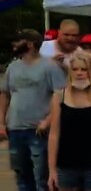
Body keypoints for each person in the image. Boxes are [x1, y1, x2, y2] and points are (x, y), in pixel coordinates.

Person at [0, 29, 66, 191]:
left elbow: (62, 97)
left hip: (39, 131)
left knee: (42, 179)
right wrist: (1, 123)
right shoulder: (13, 67)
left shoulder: (50, 67)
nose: (14, 45)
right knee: (22, 177)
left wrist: (48, 121)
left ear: (29, 44)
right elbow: (5, 95)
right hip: (15, 129)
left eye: (18, 41)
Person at [47, 51, 91, 191]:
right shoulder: (59, 97)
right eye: (75, 69)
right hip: (65, 167)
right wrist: (52, 170)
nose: (79, 73)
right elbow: (54, 135)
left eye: (84, 69)